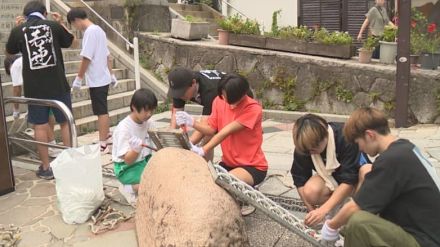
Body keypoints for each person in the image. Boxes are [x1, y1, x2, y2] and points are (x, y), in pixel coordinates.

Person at [320, 107, 440, 247]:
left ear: (370, 135)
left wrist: (331, 226)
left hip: (424, 242)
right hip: (426, 234)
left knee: (358, 222)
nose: (359, 149)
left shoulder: (392, 159)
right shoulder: (404, 148)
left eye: (358, 142)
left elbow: (356, 206)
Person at [6, 0, 75, 179]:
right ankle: (68, 162)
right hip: (58, 83)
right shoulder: (52, 25)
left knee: (40, 125)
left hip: (34, 88)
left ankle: (46, 167)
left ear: (26, 15)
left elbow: (9, 52)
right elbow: (71, 42)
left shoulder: (18, 30)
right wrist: (60, 23)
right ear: (44, 12)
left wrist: (18, 30)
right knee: (65, 121)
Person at [176, 73, 267, 187]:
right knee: (205, 182)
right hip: (228, 163)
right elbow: (211, 130)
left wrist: (203, 150)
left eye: (226, 96)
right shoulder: (219, 101)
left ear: (240, 95)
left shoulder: (253, 109)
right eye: (222, 95)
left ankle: (249, 186)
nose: (223, 98)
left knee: (226, 182)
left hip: (251, 166)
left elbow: (225, 131)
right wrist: (192, 122)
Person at [291, 114, 365, 227]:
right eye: (307, 150)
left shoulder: (345, 136)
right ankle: (336, 211)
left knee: (367, 172)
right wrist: (312, 211)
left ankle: (353, 211)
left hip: (356, 178)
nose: (311, 152)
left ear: (325, 135)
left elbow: (349, 179)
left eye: (314, 148)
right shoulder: (304, 147)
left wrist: (322, 210)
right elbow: (299, 179)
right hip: (331, 177)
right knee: (310, 191)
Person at [67, 8, 117, 154]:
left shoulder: (89, 32)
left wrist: (78, 78)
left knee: (101, 111)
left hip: (97, 79)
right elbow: (107, 55)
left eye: (73, 24)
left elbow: (86, 57)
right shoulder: (99, 30)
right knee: (103, 109)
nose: (75, 28)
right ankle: (106, 136)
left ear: (76, 20)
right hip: (103, 77)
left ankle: (103, 145)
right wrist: (112, 74)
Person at [168, 68, 230, 161]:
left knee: (207, 138)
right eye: (177, 93)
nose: (180, 96)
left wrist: (187, 145)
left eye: (182, 93)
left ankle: (207, 168)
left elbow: (206, 127)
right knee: (202, 140)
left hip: (233, 97)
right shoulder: (180, 86)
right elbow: (175, 117)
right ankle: (206, 165)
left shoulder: (211, 92)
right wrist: (171, 141)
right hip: (214, 97)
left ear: (193, 83)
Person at [4, 55, 60, 158]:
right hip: (49, 85)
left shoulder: (15, 66)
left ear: (9, 65)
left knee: (38, 122)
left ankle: (52, 146)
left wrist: (16, 109)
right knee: (48, 115)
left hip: (37, 91)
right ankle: (49, 145)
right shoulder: (25, 58)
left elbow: (16, 89)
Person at [112, 88, 157, 205]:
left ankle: (136, 186)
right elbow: (127, 161)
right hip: (126, 168)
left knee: (162, 177)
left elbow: (158, 142)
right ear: (133, 107)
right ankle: (127, 188)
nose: (149, 114)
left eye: (152, 110)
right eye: (146, 111)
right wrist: (136, 150)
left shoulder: (149, 122)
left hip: (143, 161)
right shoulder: (124, 128)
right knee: (151, 184)